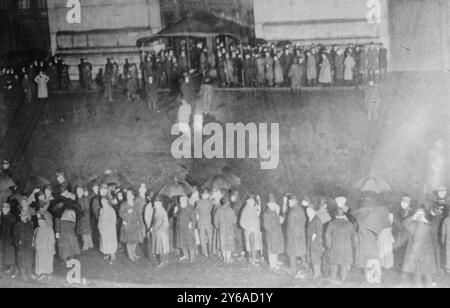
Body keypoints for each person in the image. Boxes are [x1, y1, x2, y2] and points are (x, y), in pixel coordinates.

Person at [403, 208, 437, 287]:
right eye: (419, 214)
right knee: (419, 273)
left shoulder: (425, 225)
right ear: (416, 215)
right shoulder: (414, 225)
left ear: (424, 215)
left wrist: (426, 221)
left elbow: (434, 231)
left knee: (426, 273)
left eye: (422, 214)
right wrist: (413, 218)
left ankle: (425, 285)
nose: (420, 216)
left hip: (425, 253)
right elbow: (404, 224)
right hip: (419, 253)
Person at [325, 207, 358, 282]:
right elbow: (354, 235)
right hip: (346, 248)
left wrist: (328, 245)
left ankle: (333, 280)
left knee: (334, 264)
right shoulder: (349, 224)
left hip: (335, 248)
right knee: (344, 264)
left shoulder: (332, 224)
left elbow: (327, 235)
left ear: (335, 215)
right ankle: (344, 280)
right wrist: (355, 246)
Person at [119, 189, 145, 261]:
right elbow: (120, 214)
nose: (128, 196)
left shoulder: (136, 204)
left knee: (135, 240)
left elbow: (139, 213)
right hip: (127, 225)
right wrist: (127, 213)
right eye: (127, 195)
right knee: (129, 241)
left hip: (135, 225)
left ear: (133, 196)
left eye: (129, 195)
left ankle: (133, 253)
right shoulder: (123, 204)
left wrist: (139, 221)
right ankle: (130, 256)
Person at [13, 202, 36, 281]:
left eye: (25, 216)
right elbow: (14, 236)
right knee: (21, 260)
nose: (24, 217)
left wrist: (32, 242)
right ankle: (23, 275)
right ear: (20, 216)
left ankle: (29, 273)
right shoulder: (16, 224)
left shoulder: (30, 224)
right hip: (21, 245)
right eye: (22, 216)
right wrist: (17, 243)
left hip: (28, 244)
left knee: (29, 259)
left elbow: (32, 234)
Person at [286, 195, 307, 275]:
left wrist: (288, 233)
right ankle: (305, 265)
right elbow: (304, 220)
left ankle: (293, 270)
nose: (289, 203)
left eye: (290, 202)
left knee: (292, 252)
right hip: (301, 233)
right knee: (301, 250)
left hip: (293, 234)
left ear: (294, 201)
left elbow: (290, 225)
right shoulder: (301, 209)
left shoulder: (292, 211)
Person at [55, 199, 81, 265]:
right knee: (71, 244)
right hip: (69, 229)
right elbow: (74, 223)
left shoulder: (59, 211)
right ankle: (70, 259)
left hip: (63, 229)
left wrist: (57, 232)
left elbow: (57, 221)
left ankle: (65, 260)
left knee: (64, 246)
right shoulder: (73, 211)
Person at [240, 195, 263, 266]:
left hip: (255, 231)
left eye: (253, 201)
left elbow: (257, 215)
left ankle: (254, 257)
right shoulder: (245, 209)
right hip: (249, 231)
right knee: (250, 246)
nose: (252, 202)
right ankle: (251, 260)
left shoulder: (253, 208)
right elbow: (242, 222)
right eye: (250, 201)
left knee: (254, 245)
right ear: (248, 201)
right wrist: (248, 228)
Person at [214, 196, 237, 264]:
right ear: (228, 203)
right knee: (229, 244)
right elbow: (234, 221)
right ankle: (228, 258)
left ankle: (224, 258)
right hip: (229, 229)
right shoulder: (231, 210)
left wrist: (217, 226)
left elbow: (215, 221)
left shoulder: (218, 210)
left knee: (223, 243)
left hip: (222, 230)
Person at [263, 196, 284, 271]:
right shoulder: (267, 213)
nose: (274, 206)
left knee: (275, 250)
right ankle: (272, 265)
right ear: (269, 204)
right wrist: (272, 234)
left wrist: (280, 220)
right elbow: (266, 226)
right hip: (271, 235)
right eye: (273, 204)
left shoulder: (273, 211)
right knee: (271, 251)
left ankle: (275, 262)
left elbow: (276, 222)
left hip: (276, 234)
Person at [33, 213, 55, 280]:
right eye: (38, 221)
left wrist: (49, 247)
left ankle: (48, 274)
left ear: (44, 221)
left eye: (40, 221)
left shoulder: (49, 229)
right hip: (39, 249)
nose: (39, 222)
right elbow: (34, 238)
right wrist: (35, 245)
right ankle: (41, 274)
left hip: (47, 249)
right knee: (39, 262)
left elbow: (52, 240)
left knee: (47, 262)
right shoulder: (37, 229)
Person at [175, 196, 197, 263]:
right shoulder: (179, 207)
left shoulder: (190, 207)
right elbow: (175, 217)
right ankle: (186, 257)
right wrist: (175, 212)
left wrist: (192, 226)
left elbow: (193, 218)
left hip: (188, 228)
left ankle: (192, 258)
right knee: (182, 244)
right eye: (180, 200)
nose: (181, 201)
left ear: (186, 200)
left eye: (182, 200)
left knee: (190, 243)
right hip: (180, 228)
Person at [306, 206, 324, 278]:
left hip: (315, 242)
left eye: (309, 211)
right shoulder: (311, 219)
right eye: (307, 212)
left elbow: (319, 230)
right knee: (312, 257)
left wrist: (315, 234)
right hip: (311, 241)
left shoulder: (316, 220)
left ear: (313, 211)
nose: (308, 213)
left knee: (316, 258)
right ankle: (315, 271)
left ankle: (317, 273)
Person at [151, 198, 170, 267]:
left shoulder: (163, 212)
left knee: (162, 248)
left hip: (162, 234)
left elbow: (166, 223)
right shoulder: (156, 211)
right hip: (157, 233)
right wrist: (152, 227)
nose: (155, 207)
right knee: (159, 248)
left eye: (156, 205)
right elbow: (154, 222)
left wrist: (159, 230)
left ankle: (163, 261)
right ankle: (164, 260)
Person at [98, 197, 117, 264]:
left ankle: (112, 256)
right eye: (102, 202)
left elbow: (113, 220)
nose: (103, 203)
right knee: (104, 242)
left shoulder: (111, 210)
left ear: (107, 202)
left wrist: (110, 228)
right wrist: (99, 226)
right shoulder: (101, 210)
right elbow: (100, 219)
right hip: (103, 229)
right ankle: (107, 253)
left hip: (109, 230)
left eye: (104, 202)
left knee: (110, 242)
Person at [196, 189, 214, 257]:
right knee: (210, 238)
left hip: (201, 222)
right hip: (209, 221)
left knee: (202, 238)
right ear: (207, 195)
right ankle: (211, 252)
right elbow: (212, 211)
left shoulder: (197, 202)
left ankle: (205, 253)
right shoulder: (210, 202)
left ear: (202, 195)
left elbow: (196, 213)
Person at [0, 203, 16, 277]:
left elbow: (14, 230)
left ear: (9, 209)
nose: (3, 210)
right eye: (3, 208)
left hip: (10, 240)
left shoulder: (12, 218)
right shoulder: (3, 217)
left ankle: (13, 272)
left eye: (5, 208)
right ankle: (6, 269)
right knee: (4, 255)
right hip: (3, 240)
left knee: (11, 256)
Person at [76, 186, 93, 252]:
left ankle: (85, 246)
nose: (78, 192)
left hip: (84, 217)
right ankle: (90, 244)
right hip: (83, 217)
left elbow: (86, 209)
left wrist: (80, 214)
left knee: (84, 232)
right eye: (77, 191)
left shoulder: (83, 199)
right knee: (86, 232)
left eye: (79, 191)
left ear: (82, 191)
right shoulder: (79, 198)